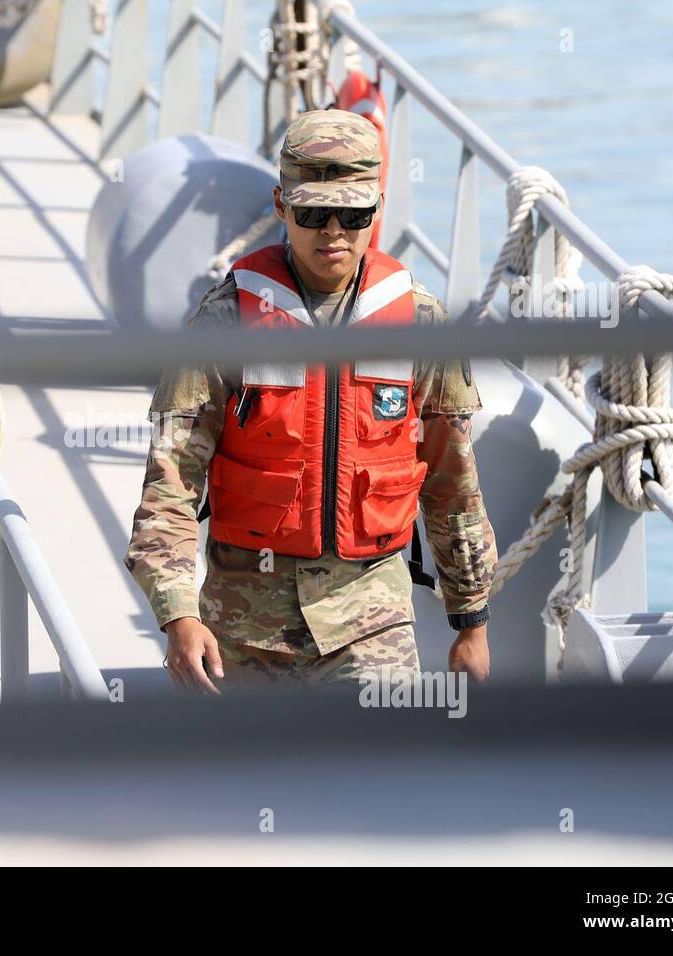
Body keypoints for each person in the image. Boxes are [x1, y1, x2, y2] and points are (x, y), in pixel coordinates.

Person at [124, 109, 496, 693]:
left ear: (377, 207)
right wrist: (178, 615)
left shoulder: (421, 323)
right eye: (312, 212)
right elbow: (171, 480)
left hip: (373, 622)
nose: (332, 231)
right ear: (279, 205)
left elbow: (453, 478)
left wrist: (470, 618)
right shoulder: (223, 324)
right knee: (243, 784)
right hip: (243, 627)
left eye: (352, 214)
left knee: (376, 779)